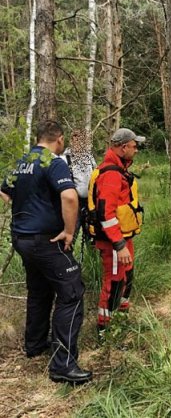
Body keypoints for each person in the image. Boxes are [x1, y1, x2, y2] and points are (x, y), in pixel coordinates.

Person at [0, 120, 92, 384]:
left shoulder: (22, 162)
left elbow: (4, 190)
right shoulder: (53, 162)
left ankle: (35, 344)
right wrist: (69, 231)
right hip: (47, 240)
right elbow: (71, 196)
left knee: (39, 290)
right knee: (72, 292)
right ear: (59, 139)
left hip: (22, 238)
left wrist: (25, 206)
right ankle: (63, 365)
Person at [93, 128, 145, 339]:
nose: (136, 150)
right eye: (134, 146)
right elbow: (106, 212)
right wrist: (118, 244)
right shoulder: (112, 174)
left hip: (123, 237)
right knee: (114, 281)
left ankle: (121, 318)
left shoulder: (119, 169)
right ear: (123, 147)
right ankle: (104, 330)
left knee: (127, 275)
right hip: (113, 240)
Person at [60, 128, 97, 244]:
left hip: (90, 203)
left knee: (91, 236)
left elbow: (96, 175)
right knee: (71, 235)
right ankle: (67, 260)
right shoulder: (64, 159)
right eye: (75, 139)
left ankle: (91, 260)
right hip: (73, 204)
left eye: (81, 140)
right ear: (71, 141)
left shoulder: (89, 158)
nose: (78, 143)